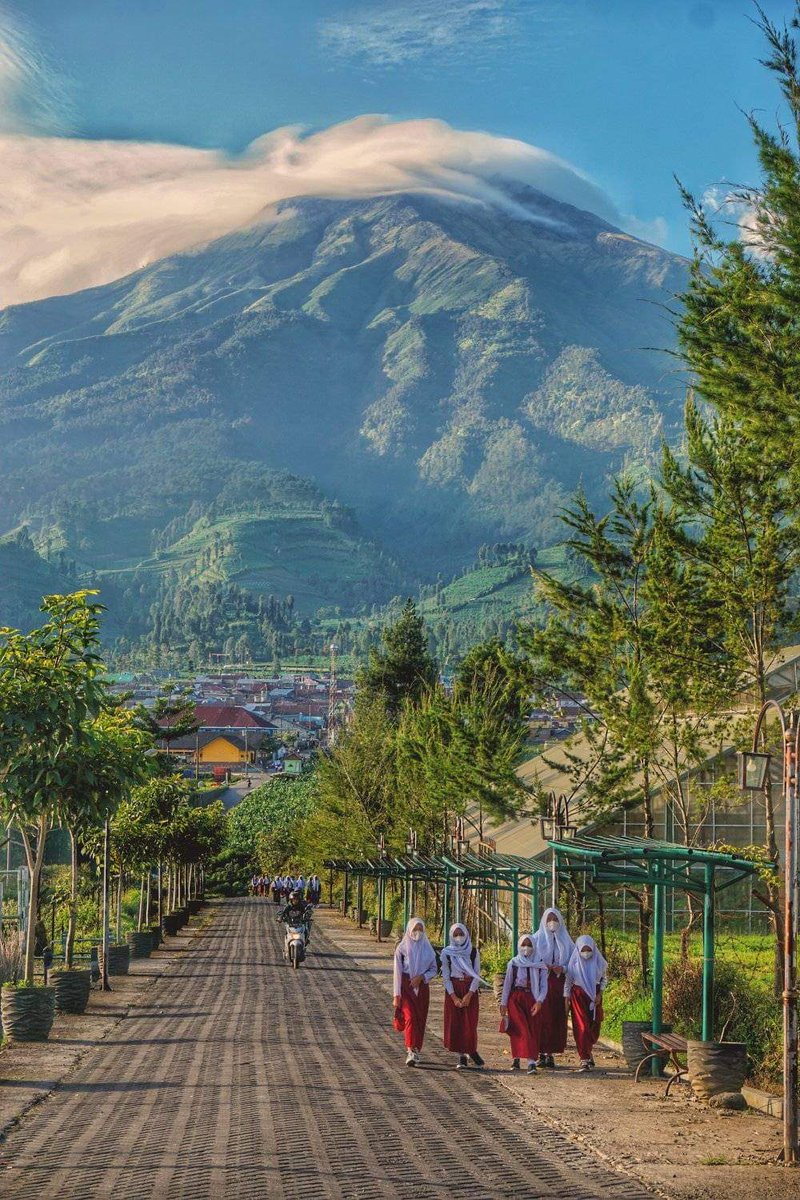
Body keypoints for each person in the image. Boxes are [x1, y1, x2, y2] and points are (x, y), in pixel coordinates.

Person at [533, 907, 575, 1069]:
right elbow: (527, 959)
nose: (552, 922)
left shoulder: (566, 941)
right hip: (540, 984)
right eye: (549, 919)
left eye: (555, 919)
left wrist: (562, 968)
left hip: (559, 985)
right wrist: (544, 966)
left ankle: (550, 1054)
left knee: (555, 1019)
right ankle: (539, 1053)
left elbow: (573, 962)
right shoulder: (535, 939)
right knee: (540, 1019)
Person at [441, 922, 487, 1069]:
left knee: (470, 1023)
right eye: (456, 935)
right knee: (456, 1024)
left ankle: (471, 1050)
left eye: (461, 934)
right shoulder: (446, 953)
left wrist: (469, 995)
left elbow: (476, 975)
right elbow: (446, 977)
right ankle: (461, 1056)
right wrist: (454, 997)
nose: (459, 937)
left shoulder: (473, 952)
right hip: (453, 989)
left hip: (469, 990)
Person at [499, 934, 548, 1074]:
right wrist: (503, 1003)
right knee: (519, 1029)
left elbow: (544, 985)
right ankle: (523, 1060)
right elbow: (508, 984)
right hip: (516, 998)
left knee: (532, 1030)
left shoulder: (540, 964)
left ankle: (531, 1060)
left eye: (529, 944)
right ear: (519, 946)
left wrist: (539, 1001)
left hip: (532, 998)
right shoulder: (513, 963)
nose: (526, 947)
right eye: (523, 944)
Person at [393, 917, 438, 1067]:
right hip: (406, 987)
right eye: (415, 929)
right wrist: (396, 995)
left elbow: (434, 969)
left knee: (420, 1019)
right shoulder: (402, 948)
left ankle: (417, 1048)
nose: (417, 932)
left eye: (420, 929)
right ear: (409, 930)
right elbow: (397, 972)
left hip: (422, 988)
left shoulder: (428, 949)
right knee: (410, 1017)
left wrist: (422, 977)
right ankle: (410, 1049)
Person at [564, 935, 608, 1072]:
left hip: (594, 996)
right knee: (582, 1027)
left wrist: (600, 994)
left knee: (594, 1028)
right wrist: (566, 998)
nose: (586, 952)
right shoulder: (574, 963)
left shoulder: (599, 963)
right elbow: (568, 981)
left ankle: (588, 1050)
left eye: (589, 949)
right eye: (583, 950)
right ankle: (584, 1059)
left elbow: (604, 979)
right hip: (578, 996)